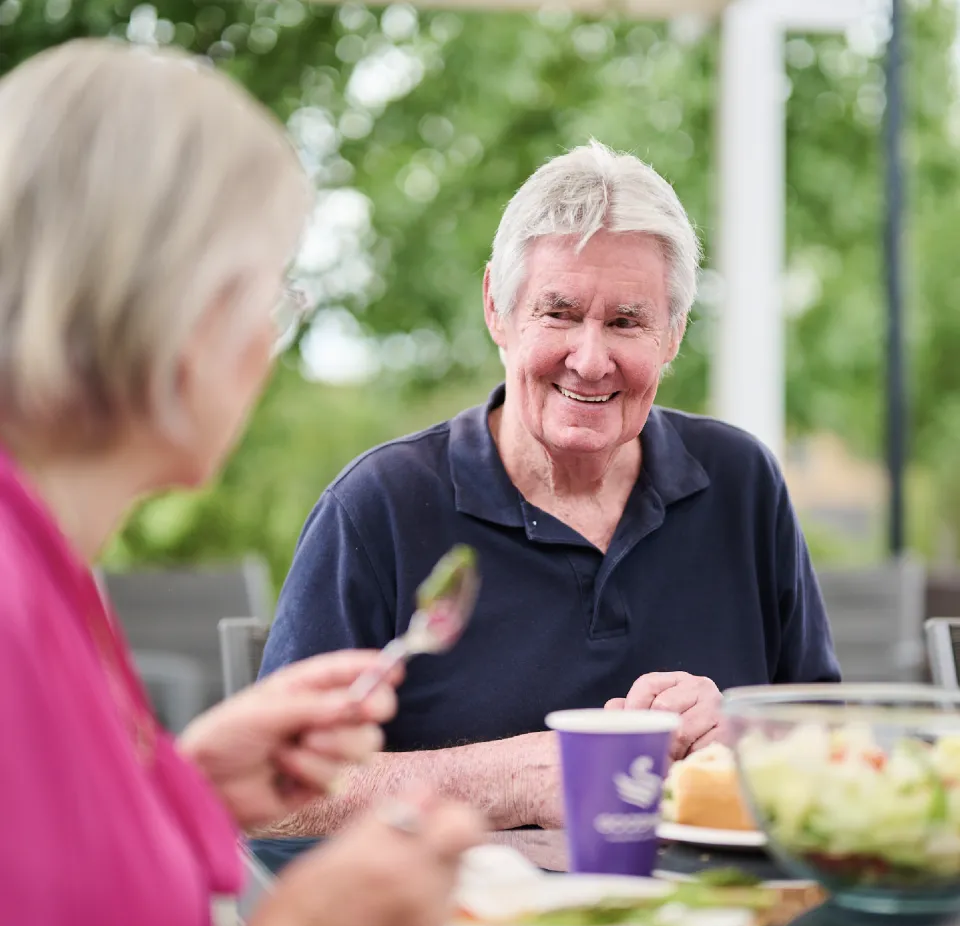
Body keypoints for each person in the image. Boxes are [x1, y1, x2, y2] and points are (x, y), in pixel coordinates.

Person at [0, 39, 482, 926]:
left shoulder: (49, 563)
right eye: (271, 299)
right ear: (185, 317)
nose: (269, 345)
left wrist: (179, 788)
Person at [257, 140, 841, 856]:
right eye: (558, 313)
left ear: (673, 335)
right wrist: (518, 779)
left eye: (626, 322)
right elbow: (275, 792)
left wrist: (746, 738)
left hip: (720, 911)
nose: (590, 361)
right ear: (497, 311)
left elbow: (829, 742)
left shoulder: (742, 482)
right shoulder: (378, 506)